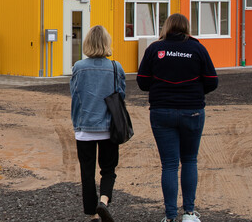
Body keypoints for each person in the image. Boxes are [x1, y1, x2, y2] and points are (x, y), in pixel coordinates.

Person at [137, 13, 218, 222]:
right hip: (192, 111)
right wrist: (195, 91)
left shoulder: (155, 49)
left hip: (161, 111)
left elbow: (143, 82)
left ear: (167, 27)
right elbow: (212, 81)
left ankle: (170, 216)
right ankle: (189, 213)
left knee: (170, 164)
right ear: (186, 28)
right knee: (190, 160)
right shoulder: (197, 48)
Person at [70, 25, 126, 222]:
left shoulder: (78, 67)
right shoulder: (115, 67)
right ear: (106, 43)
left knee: (87, 171)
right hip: (109, 128)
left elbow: (75, 96)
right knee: (108, 169)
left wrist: (77, 122)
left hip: (85, 127)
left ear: (87, 43)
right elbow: (121, 95)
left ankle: (92, 213)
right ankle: (103, 201)